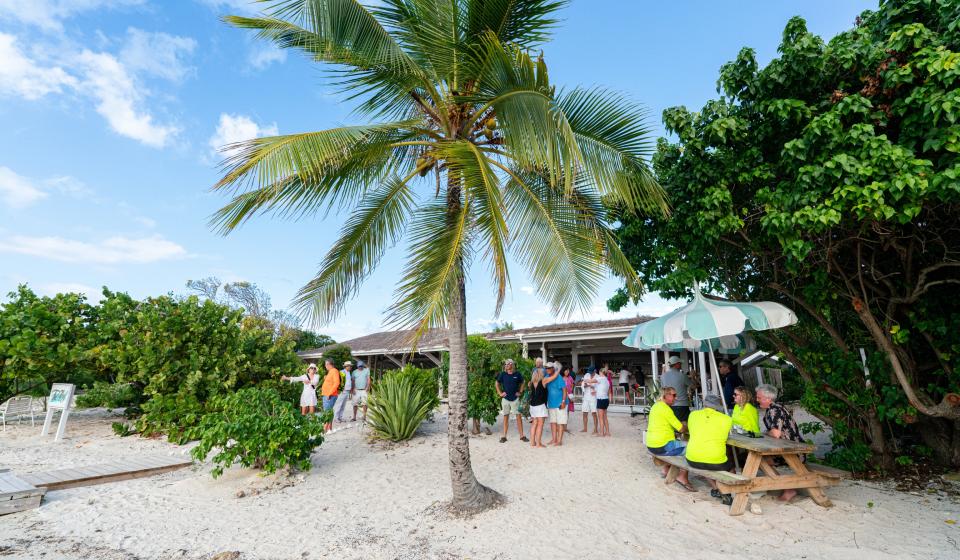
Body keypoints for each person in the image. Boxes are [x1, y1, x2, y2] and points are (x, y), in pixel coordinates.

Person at [756, 383, 804, 502]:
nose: (756, 400)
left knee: (760, 460)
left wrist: (765, 433)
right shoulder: (772, 409)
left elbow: (776, 433)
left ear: (768, 399)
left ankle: (788, 489)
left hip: (794, 451)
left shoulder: (774, 410)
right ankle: (784, 486)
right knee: (759, 460)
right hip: (786, 449)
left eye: (759, 397)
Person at [685, 395, 734, 503]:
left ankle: (716, 489)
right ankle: (726, 491)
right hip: (715, 461)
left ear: (704, 404)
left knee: (705, 462)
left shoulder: (692, 415)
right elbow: (725, 437)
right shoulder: (727, 419)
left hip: (692, 459)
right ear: (718, 407)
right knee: (730, 467)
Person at [646, 387, 694, 492]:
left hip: (651, 445)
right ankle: (682, 476)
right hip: (662, 446)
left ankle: (665, 469)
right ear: (666, 395)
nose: (675, 398)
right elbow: (681, 429)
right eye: (673, 395)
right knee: (692, 448)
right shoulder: (666, 409)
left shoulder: (655, 406)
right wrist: (686, 426)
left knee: (677, 442)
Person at [495, 359, 528, 443]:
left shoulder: (517, 374)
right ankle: (504, 436)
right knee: (506, 417)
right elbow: (497, 383)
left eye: (508, 364)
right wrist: (500, 393)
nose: (506, 365)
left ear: (512, 365)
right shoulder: (503, 374)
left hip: (515, 399)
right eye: (505, 364)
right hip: (505, 399)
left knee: (518, 417)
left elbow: (523, 382)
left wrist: (520, 391)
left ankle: (522, 436)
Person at [660, 356, 691, 422]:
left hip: (668, 405)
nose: (681, 365)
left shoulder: (663, 376)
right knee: (683, 426)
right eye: (680, 363)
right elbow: (693, 386)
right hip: (682, 405)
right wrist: (693, 377)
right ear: (676, 364)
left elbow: (663, 389)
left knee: (672, 427)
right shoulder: (682, 375)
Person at [544, 361, 565, 445]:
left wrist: (563, 401)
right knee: (553, 422)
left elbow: (564, 390)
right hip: (551, 403)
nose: (547, 369)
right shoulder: (546, 377)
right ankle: (554, 439)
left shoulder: (559, 377)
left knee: (560, 422)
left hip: (560, 403)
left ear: (553, 368)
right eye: (546, 368)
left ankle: (559, 441)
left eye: (549, 368)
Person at [528, 366, 549, 448]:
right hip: (540, 406)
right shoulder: (543, 382)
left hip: (532, 406)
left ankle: (532, 442)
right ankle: (538, 443)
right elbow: (551, 378)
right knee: (540, 425)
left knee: (534, 424)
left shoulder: (531, 383)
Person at [320, 359, 340, 433]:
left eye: (326, 364)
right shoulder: (331, 372)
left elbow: (336, 383)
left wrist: (330, 393)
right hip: (328, 394)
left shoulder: (334, 371)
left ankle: (325, 429)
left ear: (329, 364)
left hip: (329, 395)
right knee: (329, 411)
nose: (325, 366)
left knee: (327, 412)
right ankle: (329, 428)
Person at [580, 368, 599, 434]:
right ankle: (585, 428)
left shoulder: (598, 377)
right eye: (589, 372)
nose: (590, 373)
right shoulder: (586, 375)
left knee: (594, 413)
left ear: (595, 370)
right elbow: (582, 384)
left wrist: (594, 389)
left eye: (591, 372)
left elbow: (599, 387)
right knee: (584, 412)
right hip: (586, 396)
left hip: (593, 397)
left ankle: (596, 429)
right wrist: (584, 386)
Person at [595, 367, 612, 437]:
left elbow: (591, 381)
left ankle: (601, 433)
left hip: (601, 399)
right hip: (606, 399)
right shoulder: (607, 380)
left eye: (599, 372)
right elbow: (609, 392)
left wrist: (583, 379)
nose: (599, 374)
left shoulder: (601, 378)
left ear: (601, 372)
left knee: (600, 418)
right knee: (605, 417)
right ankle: (607, 432)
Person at [562, 367, 575, 434]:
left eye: (568, 370)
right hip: (562, 397)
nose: (567, 372)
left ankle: (565, 427)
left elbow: (572, 384)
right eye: (565, 371)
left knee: (567, 412)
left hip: (569, 397)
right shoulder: (561, 378)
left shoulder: (570, 378)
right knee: (562, 412)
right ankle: (562, 427)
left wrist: (570, 392)